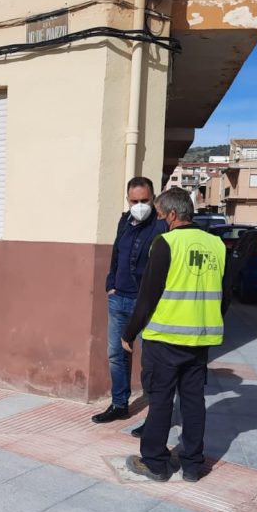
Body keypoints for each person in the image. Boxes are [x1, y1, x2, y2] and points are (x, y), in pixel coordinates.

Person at [121, 187, 227, 482]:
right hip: (200, 340)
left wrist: (130, 332)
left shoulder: (166, 243)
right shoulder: (217, 245)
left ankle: (155, 462)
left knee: (161, 400)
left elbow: (148, 295)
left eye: (159, 214)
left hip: (165, 338)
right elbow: (224, 295)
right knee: (193, 401)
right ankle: (192, 465)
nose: (158, 219)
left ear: (171, 214)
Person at [91, 177, 168, 424]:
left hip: (147, 304)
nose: (139, 205)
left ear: (154, 198)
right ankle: (119, 404)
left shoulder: (161, 224)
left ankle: (154, 418)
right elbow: (117, 253)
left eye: (145, 200)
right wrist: (110, 283)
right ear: (128, 200)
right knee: (116, 355)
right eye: (134, 201)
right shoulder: (125, 220)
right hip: (118, 299)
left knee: (151, 360)